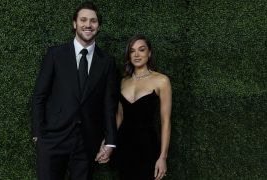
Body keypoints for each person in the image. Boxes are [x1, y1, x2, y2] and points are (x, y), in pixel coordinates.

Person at [31, 1, 118, 180]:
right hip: (53, 139)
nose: (88, 25)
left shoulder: (107, 62)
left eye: (93, 21)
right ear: (75, 23)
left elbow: (109, 105)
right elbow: (40, 96)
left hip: (87, 142)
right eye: (83, 20)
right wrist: (38, 135)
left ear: (98, 26)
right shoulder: (55, 54)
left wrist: (110, 142)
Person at [115, 35, 172, 180]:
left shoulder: (161, 80)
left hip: (147, 146)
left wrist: (163, 157)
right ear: (128, 55)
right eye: (132, 51)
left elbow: (166, 121)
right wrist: (108, 141)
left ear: (149, 53)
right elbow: (119, 116)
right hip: (123, 146)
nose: (136, 54)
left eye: (141, 50)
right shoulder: (122, 82)